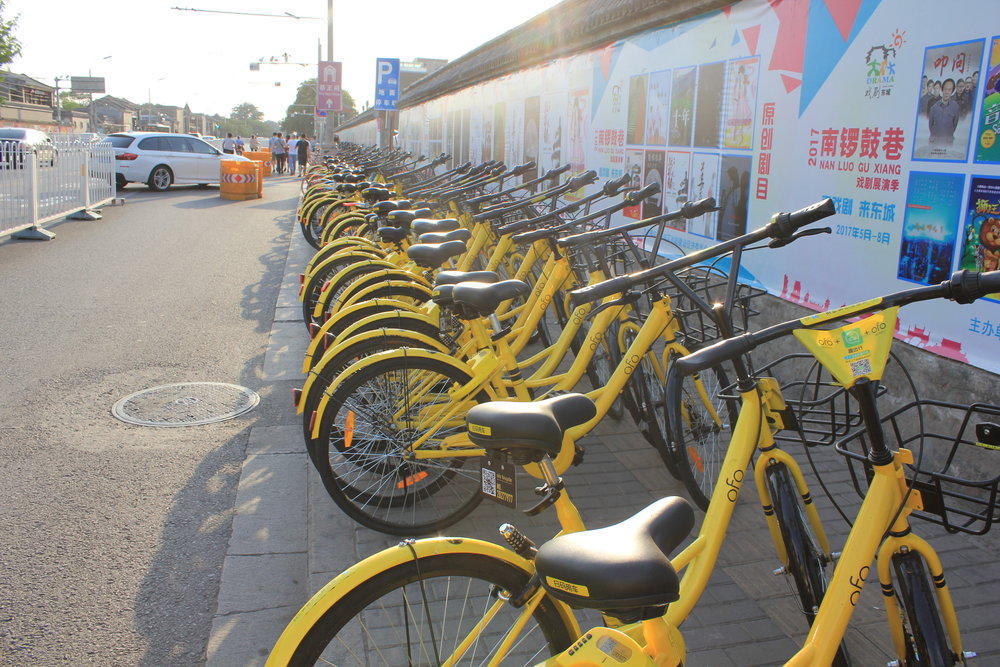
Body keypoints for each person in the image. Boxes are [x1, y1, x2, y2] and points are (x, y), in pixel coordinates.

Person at [928, 78, 960, 146]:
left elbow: (955, 124)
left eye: (949, 90)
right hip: (934, 143)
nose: (947, 92)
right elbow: (930, 125)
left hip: (948, 143)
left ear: (952, 91)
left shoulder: (956, 107)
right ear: (942, 90)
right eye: (945, 89)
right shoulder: (934, 108)